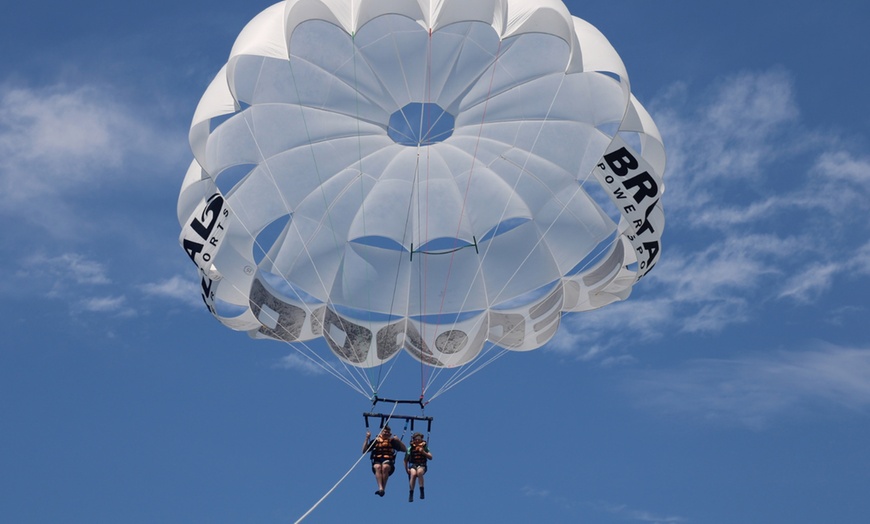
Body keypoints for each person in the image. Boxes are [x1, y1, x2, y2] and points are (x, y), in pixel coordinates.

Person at [363, 425, 407, 496]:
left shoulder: (392, 442)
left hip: (388, 461)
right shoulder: (376, 441)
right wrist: (367, 438)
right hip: (377, 460)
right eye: (385, 432)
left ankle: (383, 488)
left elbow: (405, 449)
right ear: (381, 432)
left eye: (388, 432)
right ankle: (380, 488)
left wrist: (398, 441)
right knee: (377, 467)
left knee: (385, 467)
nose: (386, 433)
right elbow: (364, 451)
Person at [404, 432, 432, 502]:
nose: (417, 441)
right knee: (413, 474)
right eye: (415, 439)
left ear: (421, 439)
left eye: (418, 439)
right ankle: (411, 493)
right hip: (413, 464)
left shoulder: (424, 447)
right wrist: (406, 469)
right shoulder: (410, 448)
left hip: (422, 464)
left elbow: (430, 457)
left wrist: (423, 452)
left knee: (419, 472)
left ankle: (421, 490)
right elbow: (405, 460)